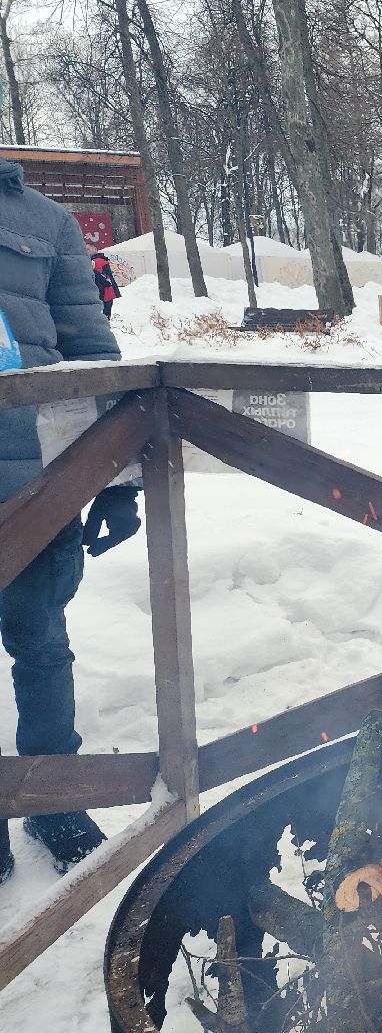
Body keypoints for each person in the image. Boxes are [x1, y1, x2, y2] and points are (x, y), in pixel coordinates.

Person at [0, 154, 143, 882]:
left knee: (43, 647)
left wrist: (117, 479)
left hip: (36, 483)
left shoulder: (45, 222)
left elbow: (91, 351)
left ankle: (52, 795)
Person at [86, 239, 122, 320]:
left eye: (88, 249)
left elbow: (106, 279)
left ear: (95, 249)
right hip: (103, 292)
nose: (86, 251)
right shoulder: (98, 260)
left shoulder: (98, 261)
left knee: (103, 316)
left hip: (104, 292)